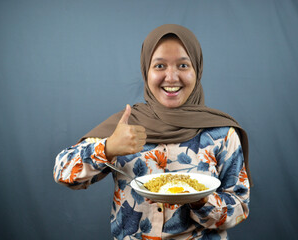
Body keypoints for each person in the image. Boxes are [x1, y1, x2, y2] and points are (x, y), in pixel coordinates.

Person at [54, 24, 252, 240]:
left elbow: (240, 208)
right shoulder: (125, 127)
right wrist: (108, 148)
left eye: (183, 65)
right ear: (145, 71)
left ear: (197, 70)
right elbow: (63, 173)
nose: (171, 77)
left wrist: (202, 201)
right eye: (159, 66)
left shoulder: (221, 133)